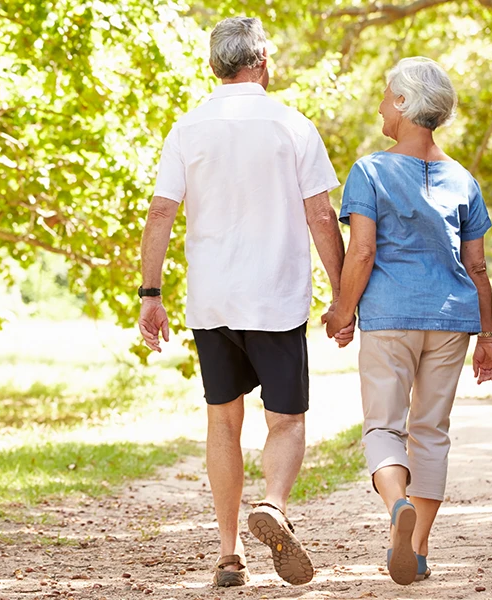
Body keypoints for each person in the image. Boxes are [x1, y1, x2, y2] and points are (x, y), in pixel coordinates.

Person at [138, 16, 346, 588]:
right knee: (286, 420)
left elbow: (160, 211)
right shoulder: (292, 125)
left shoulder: (187, 129)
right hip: (275, 298)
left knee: (222, 422)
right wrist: (342, 295)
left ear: (215, 66)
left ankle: (229, 555)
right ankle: (273, 504)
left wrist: (151, 294)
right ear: (262, 62)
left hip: (213, 301)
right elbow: (321, 215)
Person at [324, 57, 492, 585]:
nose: (381, 105)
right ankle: (418, 547)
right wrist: (488, 336)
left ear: (403, 103)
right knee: (430, 431)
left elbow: (362, 253)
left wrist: (341, 311)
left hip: (390, 318)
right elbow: (477, 267)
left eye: (386, 95)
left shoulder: (370, 171)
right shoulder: (464, 179)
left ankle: (396, 504)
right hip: (451, 321)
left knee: (384, 426)